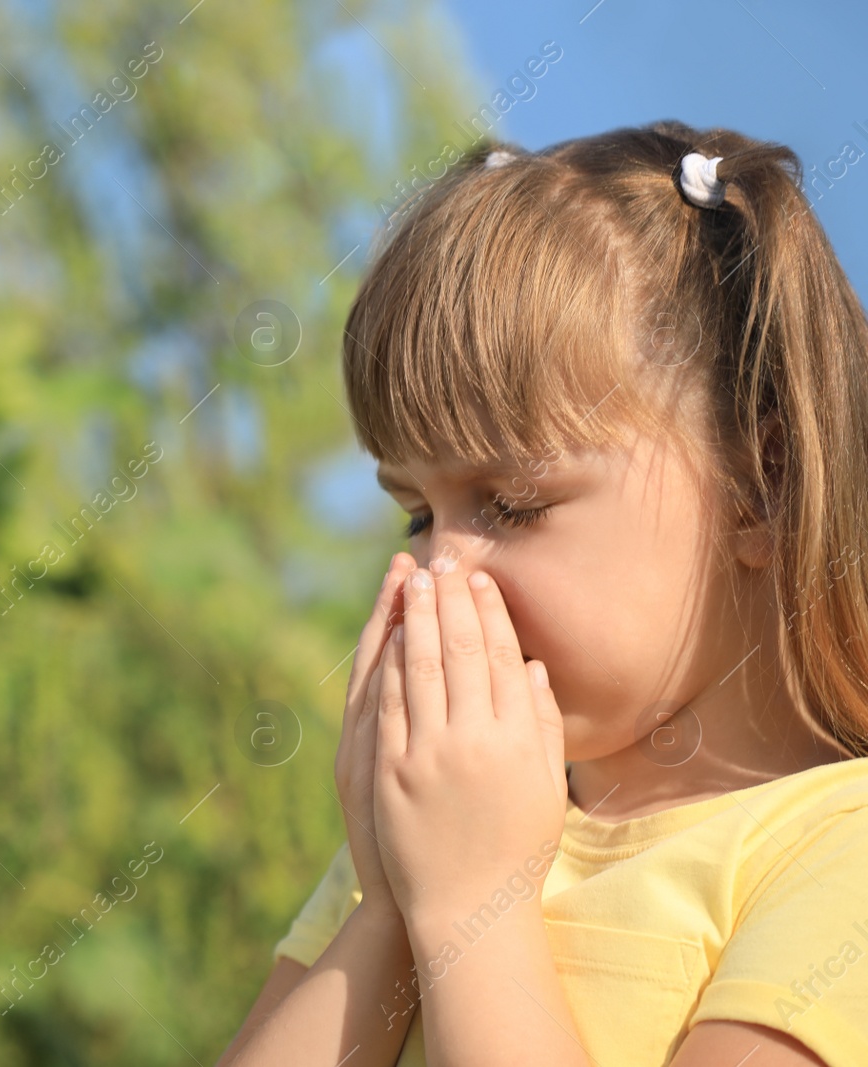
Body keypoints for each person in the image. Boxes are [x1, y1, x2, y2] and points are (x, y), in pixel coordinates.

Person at [217, 120, 868, 1066]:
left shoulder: (836, 856)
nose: (441, 570)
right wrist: (393, 907)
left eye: (513, 505)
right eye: (416, 515)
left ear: (759, 483)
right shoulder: (446, 821)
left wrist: (467, 908)